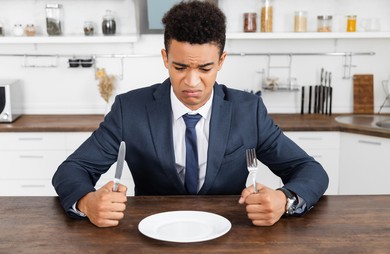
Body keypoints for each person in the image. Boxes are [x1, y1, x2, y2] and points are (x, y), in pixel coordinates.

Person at [52, 1, 328, 228]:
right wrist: (88, 202)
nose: (192, 82)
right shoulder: (129, 110)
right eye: (180, 67)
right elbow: (72, 169)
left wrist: (285, 200)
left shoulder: (248, 111)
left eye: (205, 69)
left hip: (230, 236)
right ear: (165, 58)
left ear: (221, 61)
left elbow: (310, 170)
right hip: (151, 235)